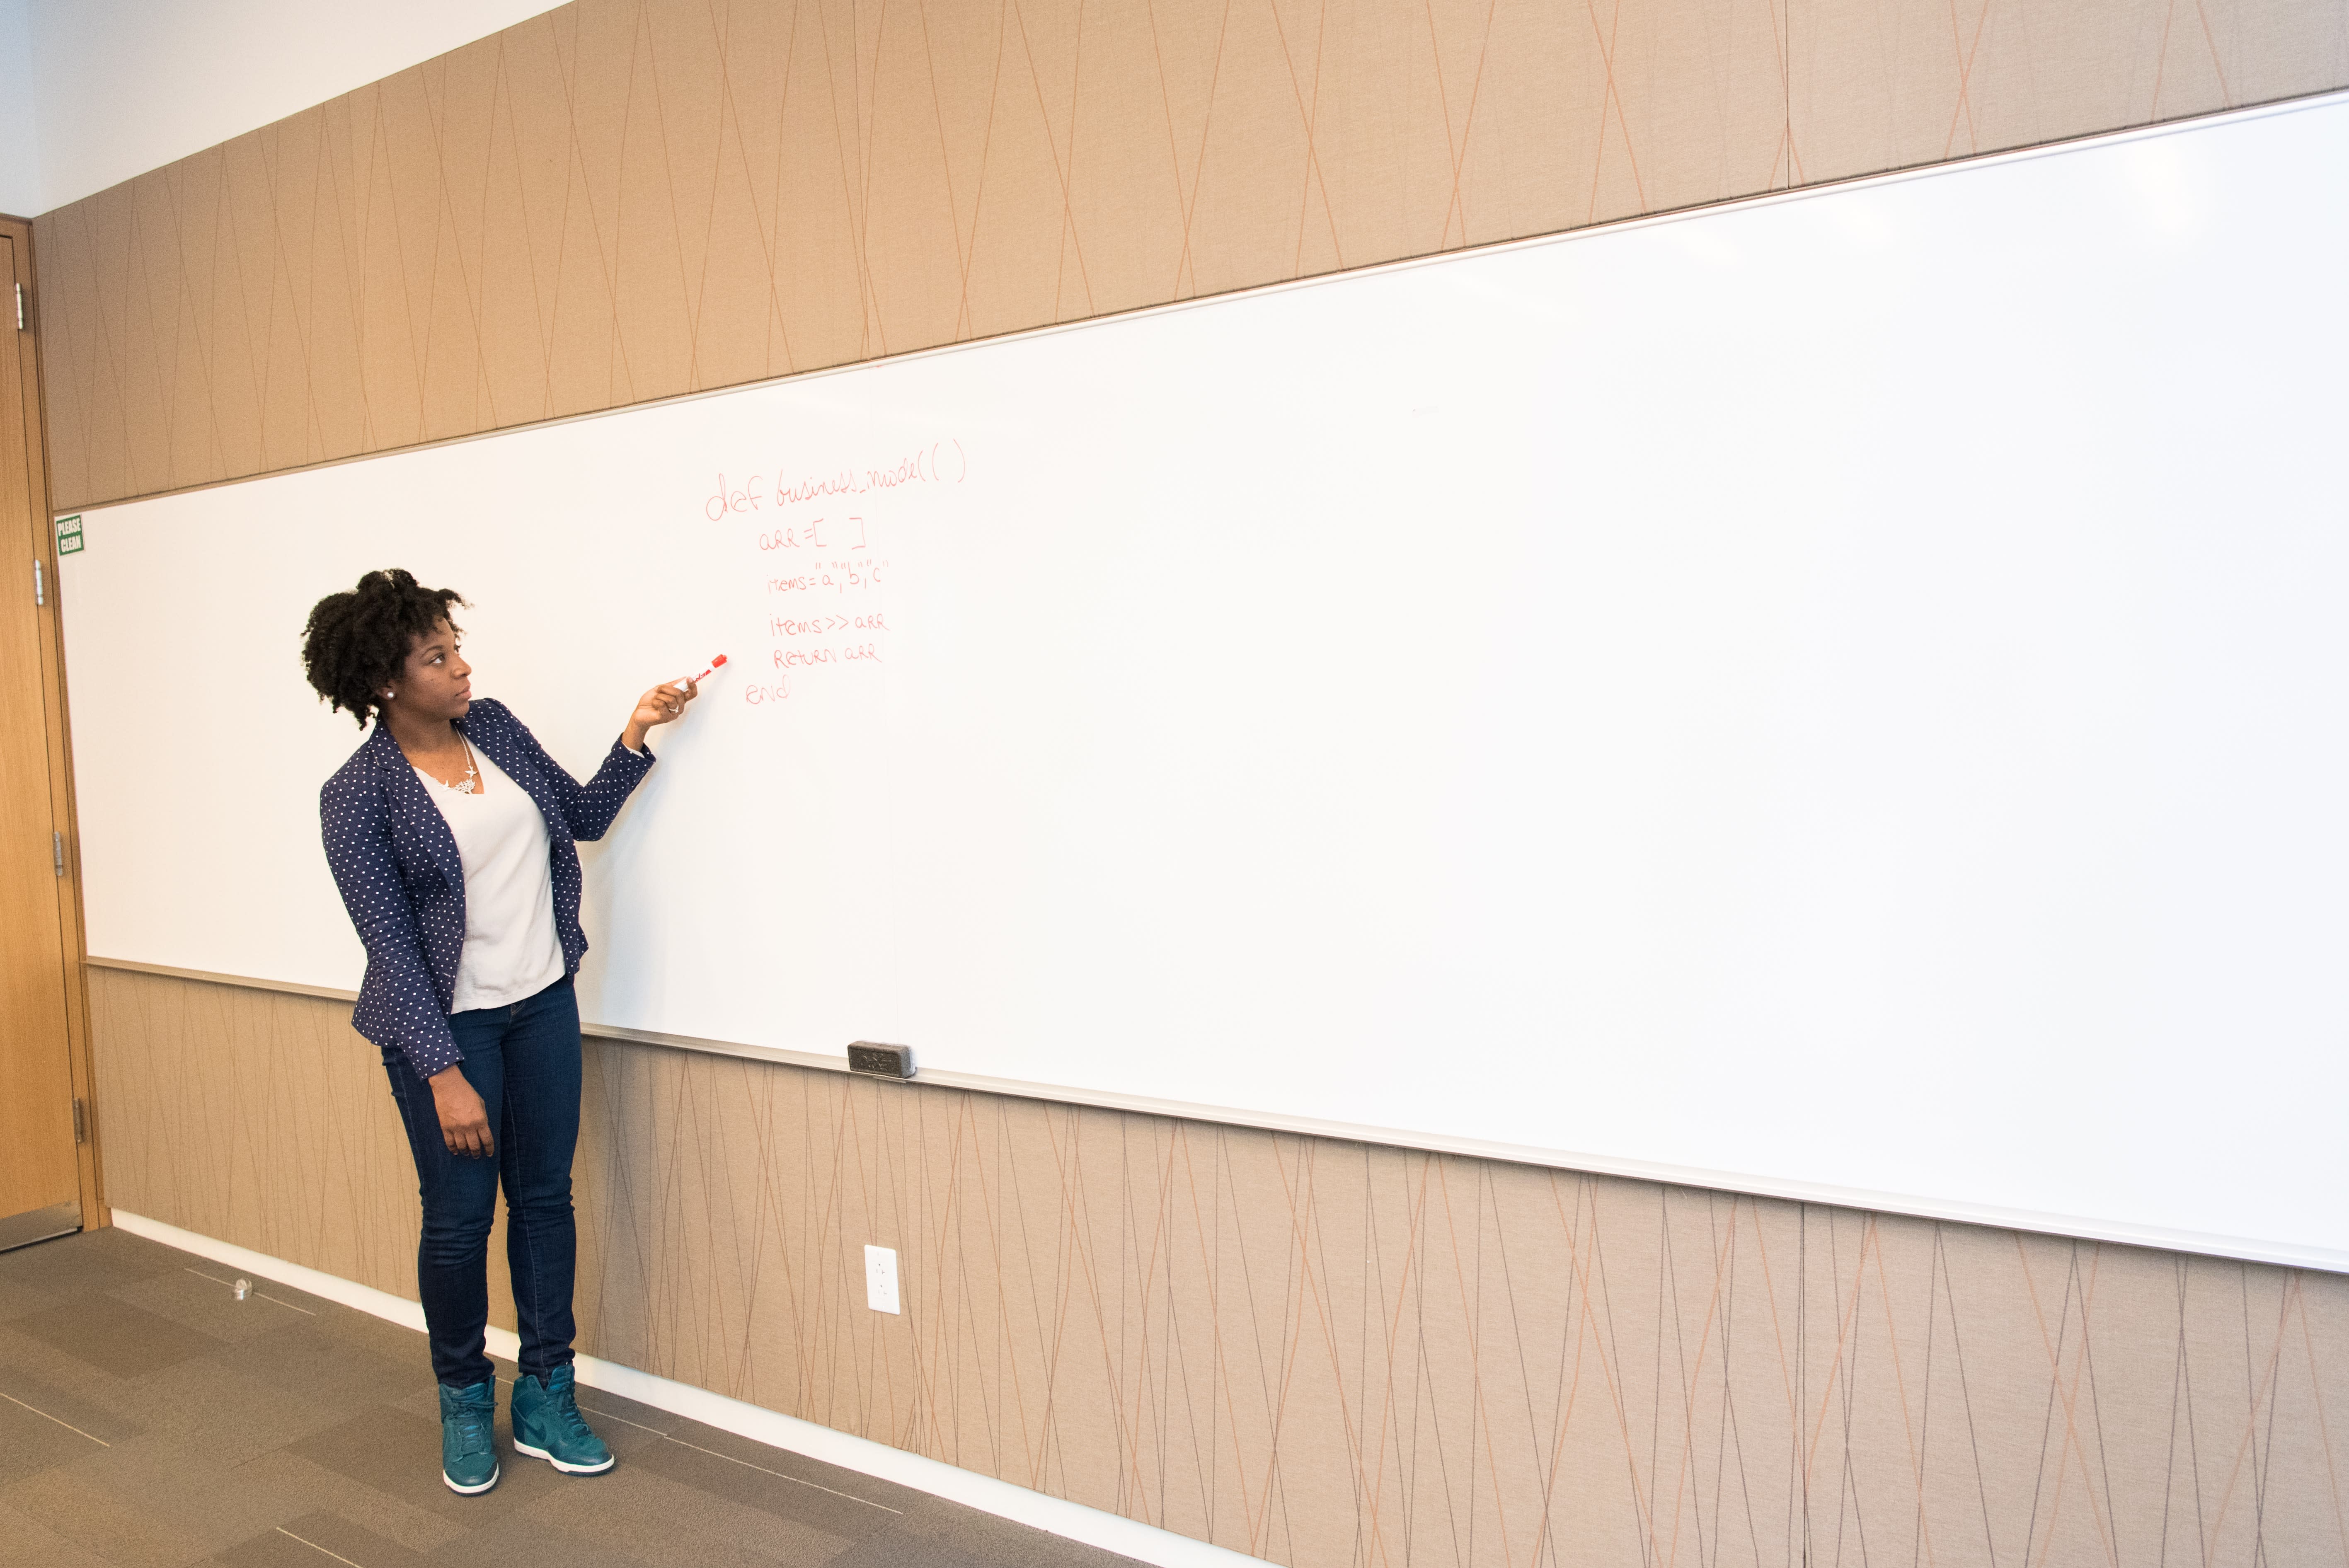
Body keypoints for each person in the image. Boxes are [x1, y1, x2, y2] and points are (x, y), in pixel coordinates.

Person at [302, 569, 695, 1495]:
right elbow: (390, 948)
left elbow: (583, 816)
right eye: (437, 656)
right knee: (457, 1221)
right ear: (386, 681)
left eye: (455, 645)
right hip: (447, 1029)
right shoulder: (355, 795)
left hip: (542, 1003)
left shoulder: (498, 728)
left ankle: (547, 1391)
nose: (461, 665)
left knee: (545, 1198)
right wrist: (440, 1071)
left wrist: (635, 730)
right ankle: (465, 1398)